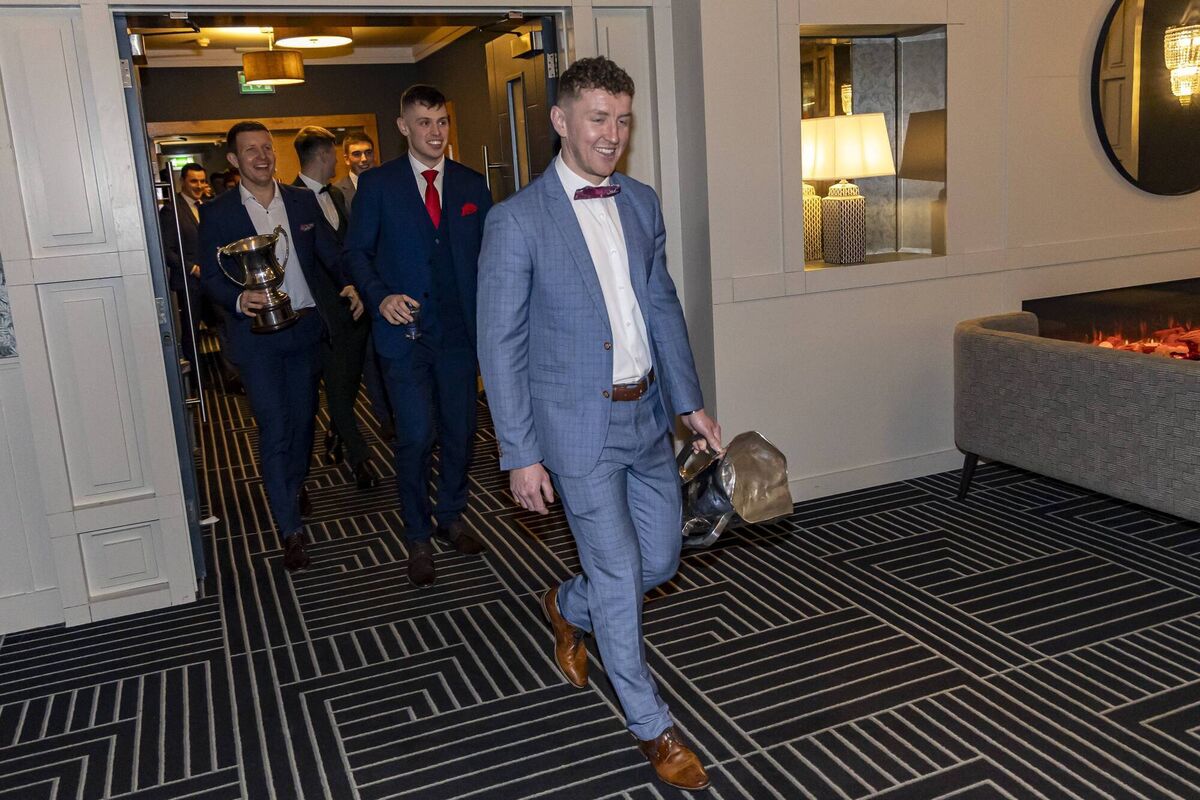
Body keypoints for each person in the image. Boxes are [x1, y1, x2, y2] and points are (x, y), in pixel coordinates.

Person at [477, 56, 721, 792]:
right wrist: (521, 454)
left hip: (648, 417)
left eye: (623, 119)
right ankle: (654, 729)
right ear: (561, 121)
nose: (613, 134)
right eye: (597, 119)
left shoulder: (641, 202)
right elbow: (501, 345)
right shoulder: (516, 221)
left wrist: (689, 401)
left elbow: (661, 305)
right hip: (575, 431)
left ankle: (563, 603)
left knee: (661, 562)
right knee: (619, 576)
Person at [345, 85, 492, 587]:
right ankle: (416, 534)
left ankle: (450, 514)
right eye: (424, 122)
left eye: (442, 122)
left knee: (460, 431)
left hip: (458, 335)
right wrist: (380, 294)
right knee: (414, 435)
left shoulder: (473, 187)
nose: (435, 132)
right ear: (403, 126)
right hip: (402, 336)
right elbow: (357, 253)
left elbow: (492, 262)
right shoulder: (378, 185)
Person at [200, 120, 361, 572]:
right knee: (275, 428)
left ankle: (292, 483)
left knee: (305, 422)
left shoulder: (301, 200)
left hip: (305, 329)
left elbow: (330, 252)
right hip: (257, 339)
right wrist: (237, 298)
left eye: (266, 148)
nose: (261, 156)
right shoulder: (218, 212)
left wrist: (350, 284)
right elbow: (210, 275)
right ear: (234, 160)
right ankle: (290, 529)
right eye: (250, 150)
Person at [291, 125, 376, 490]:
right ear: (325, 155)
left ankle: (337, 432)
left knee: (348, 383)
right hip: (321, 312)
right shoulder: (290, 201)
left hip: (353, 306)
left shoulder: (337, 198)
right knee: (338, 390)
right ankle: (361, 460)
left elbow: (345, 247)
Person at [158, 163, 206, 367]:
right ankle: (197, 378)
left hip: (211, 279)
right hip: (188, 281)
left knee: (225, 324)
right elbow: (167, 250)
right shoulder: (171, 210)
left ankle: (230, 374)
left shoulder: (207, 206)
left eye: (202, 181)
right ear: (182, 182)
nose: (199, 185)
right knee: (191, 330)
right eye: (194, 181)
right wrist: (192, 268)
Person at [334, 131, 375, 211]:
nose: (364, 159)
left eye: (368, 153)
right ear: (346, 159)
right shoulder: (336, 191)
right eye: (357, 154)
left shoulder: (388, 184)